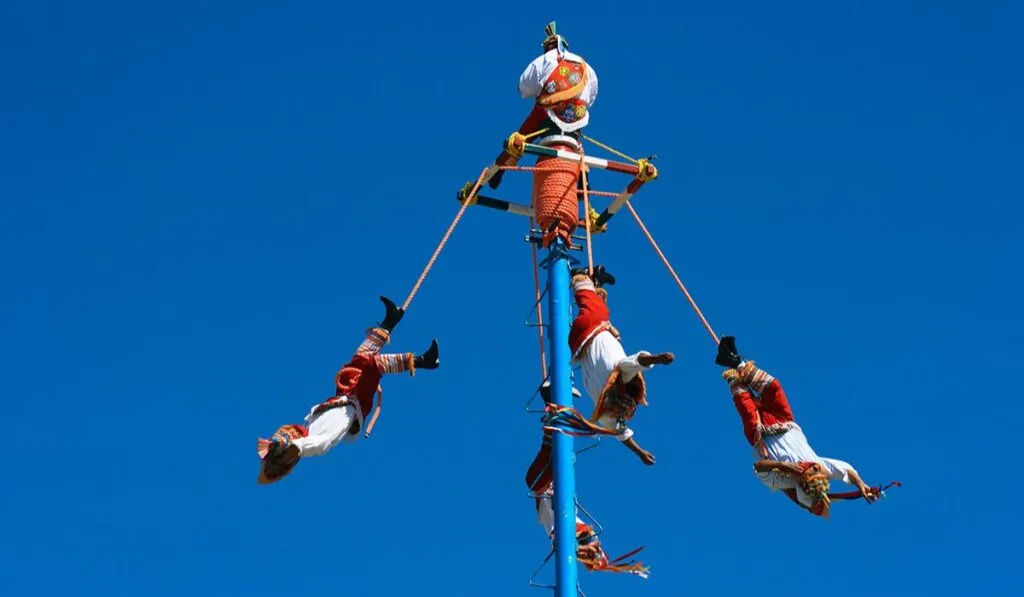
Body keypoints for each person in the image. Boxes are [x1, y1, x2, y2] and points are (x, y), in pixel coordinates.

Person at [257, 297, 439, 484]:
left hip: (346, 396)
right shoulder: (316, 441)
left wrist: (291, 446)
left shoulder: (310, 424)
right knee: (372, 365)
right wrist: (296, 447)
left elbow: (303, 442)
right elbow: (319, 444)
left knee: (360, 359)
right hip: (356, 404)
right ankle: (424, 361)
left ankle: (390, 321)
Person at [715, 336, 880, 517]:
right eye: (817, 471)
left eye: (810, 473)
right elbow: (846, 470)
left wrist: (784, 466)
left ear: (803, 481)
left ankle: (731, 367)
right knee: (774, 388)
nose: (814, 468)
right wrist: (861, 485)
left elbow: (759, 466)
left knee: (746, 404)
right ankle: (738, 362)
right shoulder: (820, 465)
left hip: (760, 434)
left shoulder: (785, 480)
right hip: (784, 420)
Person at [568, 265, 673, 465]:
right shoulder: (604, 409)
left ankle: (579, 276)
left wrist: (658, 359)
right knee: (600, 310)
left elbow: (638, 361)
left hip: (593, 328)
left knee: (598, 310)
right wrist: (640, 452)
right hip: (581, 343)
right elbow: (621, 433)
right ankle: (594, 281)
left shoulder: (619, 376)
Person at [524, 421, 649, 579]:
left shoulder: (565, 530)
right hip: (554, 498)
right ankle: (551, 438)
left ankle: (550, 438)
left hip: (551, 499)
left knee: (535, 480)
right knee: (537, 479)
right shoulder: (573, 526)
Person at [489, 21, 599, 189]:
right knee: (576, 144)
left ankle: (501, 168)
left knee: (523, 135)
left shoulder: (545, 59)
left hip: (549, 113)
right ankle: (583, 179)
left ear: (548, 46)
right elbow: (590, 98)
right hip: (578, 114)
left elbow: (524, 87)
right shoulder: (586, 66)